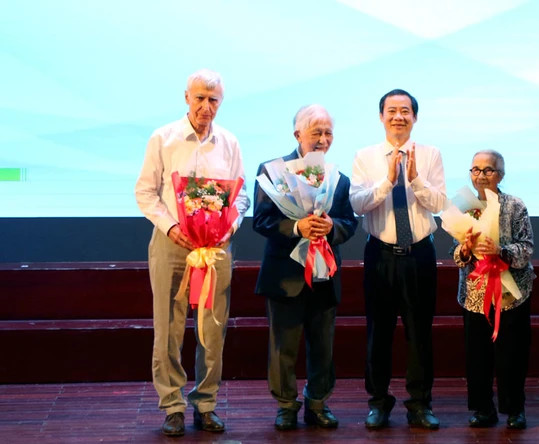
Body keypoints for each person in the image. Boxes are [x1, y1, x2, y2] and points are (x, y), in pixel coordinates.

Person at [135, 68, 250, 437]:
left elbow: (241, 195)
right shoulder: (163, 138)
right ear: (186, 97)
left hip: (216, 248)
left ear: (221, 102)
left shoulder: (230, 142)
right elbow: (145, 192)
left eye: (213, 99)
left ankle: (206, 404)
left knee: (212, 330)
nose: (206, 106)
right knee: (168, 328)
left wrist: (227, 228)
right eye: (199, 97)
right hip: (172, 245)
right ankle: (172, 406)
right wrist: (171, 226)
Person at [252, 105, 358, 431]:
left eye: (328, 133)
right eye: (317, 133)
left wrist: (331, 228)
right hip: (285, 275)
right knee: (283, 346)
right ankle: (285, 405)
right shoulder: (273, 170)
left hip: (324, 274)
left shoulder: (339, 178)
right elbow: (262, 220)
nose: (323, 140)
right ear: (298, 134)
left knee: (323, 346)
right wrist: (298, 228)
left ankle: (317, 403)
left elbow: (349, 223)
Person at [350, 89, 447, 430]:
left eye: (405, 111)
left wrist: (415, 178)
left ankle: (420, 404)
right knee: (379, 332)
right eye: (391, 111)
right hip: (380, 255)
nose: (398, 117)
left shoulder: (431, 154)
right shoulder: (365, 156)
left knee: (419, 333)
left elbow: (439, 204)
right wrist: (388, 180)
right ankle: (378, 402)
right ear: (381, 117)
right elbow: (358, 204)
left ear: (415, 118)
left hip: (419, 254)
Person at [453, 150, 536, 430]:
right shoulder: (463, 206)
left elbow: (527, 247)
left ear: (500, 175)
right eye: (475, 170)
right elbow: (457, 257)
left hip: (511, 293)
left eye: (488, 170)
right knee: (477, 355)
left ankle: (514, 410)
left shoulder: (514, 205)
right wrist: (465, 250)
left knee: (511, 354)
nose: (480, 176)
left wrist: (500, 251)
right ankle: (482, 409)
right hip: (475, 294)